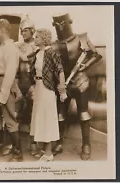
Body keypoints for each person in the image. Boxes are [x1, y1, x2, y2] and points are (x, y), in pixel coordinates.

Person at [51, 13, 102, 160]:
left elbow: (96, 55)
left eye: (62, 23)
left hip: (80, 81)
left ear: (68, 22)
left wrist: (84, 66)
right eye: (57, 24)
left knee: (83, 113)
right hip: (63, 82)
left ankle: (86, 144)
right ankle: (59, 142)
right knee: (60, 113)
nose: (60, 27)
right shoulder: (54, 45)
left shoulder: (82, 38)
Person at [28, 28, 67, 161]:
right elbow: (33, 71)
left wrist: (62, 88)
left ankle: (49, 153)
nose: (34, 39)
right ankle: (43, 150)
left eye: (37, 37)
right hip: (39, 88)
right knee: (39, 118)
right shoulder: (37, 53)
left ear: (44, 39)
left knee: (47, 119)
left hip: (47, 89)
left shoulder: (51, 53)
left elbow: (60, 71)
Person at [0, 18, 23, 162]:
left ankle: (18, 153)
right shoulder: (1, 47)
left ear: (3, 30)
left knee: (9, 118)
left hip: (5, 84)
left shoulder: (10, 48)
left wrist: (3, 95)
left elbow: (9, 73)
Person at [15, 16, 39, 156]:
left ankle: (33, 145)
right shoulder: (17, 45)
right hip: (19, 83)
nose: (23, 33)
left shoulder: (37, 46)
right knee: (14, 115)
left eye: (25, 30)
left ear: (32, 31)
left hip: (32, 84)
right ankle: (14, 146)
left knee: (32, 116)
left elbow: (29, 59)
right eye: (21, 31)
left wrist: (34, 85)